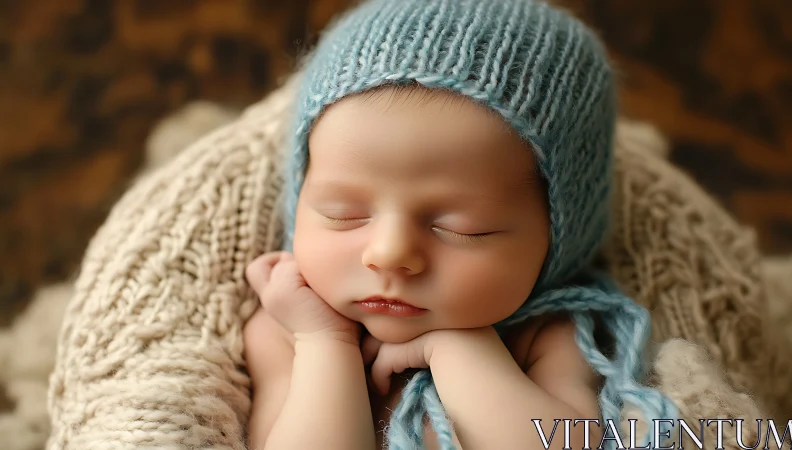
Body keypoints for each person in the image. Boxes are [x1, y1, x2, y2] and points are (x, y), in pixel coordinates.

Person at [242, 0, 679, 449]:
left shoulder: (548, 333)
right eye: (342, 214)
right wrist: (325, 344)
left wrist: (456, 351)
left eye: (465, 228)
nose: (389, 253)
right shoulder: (287, 327)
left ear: (558, 238)